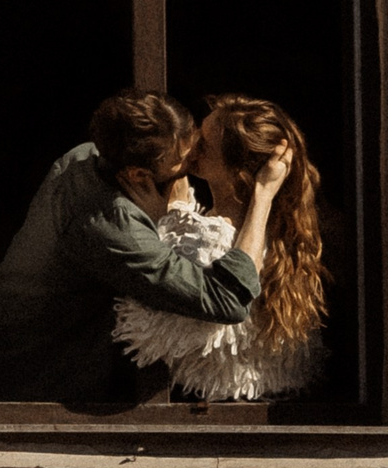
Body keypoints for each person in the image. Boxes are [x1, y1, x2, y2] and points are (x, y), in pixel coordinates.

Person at [0, 89, 285, 406]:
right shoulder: (113, 226)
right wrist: (263, 195)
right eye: (184, 158)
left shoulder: (84, 156)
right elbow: (227, 301)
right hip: (35, 396)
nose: (194, 158)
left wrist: (159, 218)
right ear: (138, 174)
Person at [113, 94, 328, 399]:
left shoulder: (213, 239)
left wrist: (159, 224)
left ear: (235, 171)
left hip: (210, 408)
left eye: (203, 144)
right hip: (264, 404)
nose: (191, 144)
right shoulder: (280, 235)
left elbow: (147, 329)